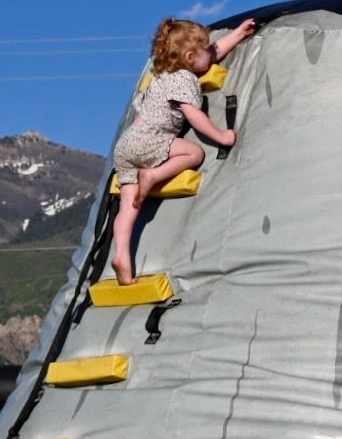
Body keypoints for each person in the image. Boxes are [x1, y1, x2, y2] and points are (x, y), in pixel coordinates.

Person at [110, 17, 257, 284]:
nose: (212, 54)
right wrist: (221, 136)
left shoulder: (159, 76)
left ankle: (121, 254)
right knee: (194, 153)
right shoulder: (185, 79)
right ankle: (153, 176)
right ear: (190, 57)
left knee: (128, 208)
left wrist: (238, 34)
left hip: (126, 145)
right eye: (206, 50)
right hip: (149, 139)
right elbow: (194, 116)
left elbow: (213, 52)